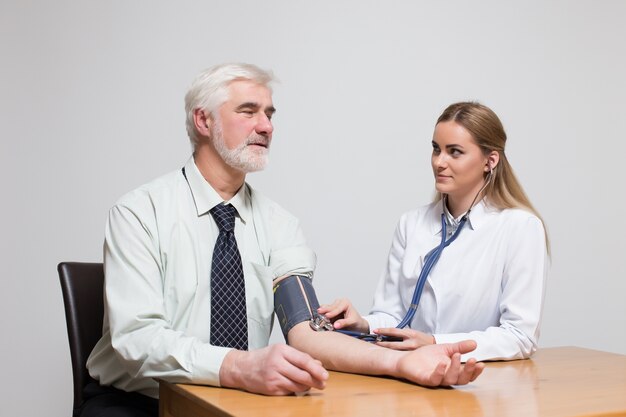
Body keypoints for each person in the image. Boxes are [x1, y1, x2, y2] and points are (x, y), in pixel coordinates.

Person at [81, 65, 484, 417]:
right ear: (203, 121)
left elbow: (307, 331)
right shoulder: (139, 213)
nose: (266, 126)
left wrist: (400, 364)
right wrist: (240, 367)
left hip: (237, 403)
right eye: (248, 111)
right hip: (136, 404)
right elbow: (138, 339)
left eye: (270, 114)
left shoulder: (279, 225)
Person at [319, 101, 549, 362]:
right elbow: (396, 316)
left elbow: (520, 336)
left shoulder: (520, 228)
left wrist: (435, 344)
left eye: (455, 152)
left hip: (482, 386)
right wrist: (362, 323)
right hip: (413, 378)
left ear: (490, 160)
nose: (439, 162)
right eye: (436, 149)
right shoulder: (411, 223)